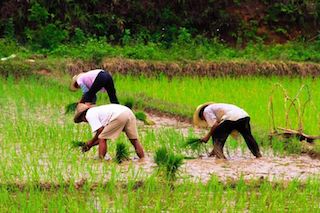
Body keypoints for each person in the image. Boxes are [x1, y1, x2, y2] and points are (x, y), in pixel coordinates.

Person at [74, 103, 144, 160]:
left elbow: (100, 133)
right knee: (134, 140)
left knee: (102, 137)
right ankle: (143, 159)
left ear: (82, 116)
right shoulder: (97, 111)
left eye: (82, 120)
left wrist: (90, 143)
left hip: (119, 115)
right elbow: (102, 135)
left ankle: (101, 160)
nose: (85, 122)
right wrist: (90, 145)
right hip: (128, 112)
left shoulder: (89, 114)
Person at [193, 102, 262, 159]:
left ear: (202, 115)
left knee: (216, 133)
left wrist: (207, 136)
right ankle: (258, 156)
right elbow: (225, 132)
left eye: (203, 119)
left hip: (231, 117)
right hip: (244, 116)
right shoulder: (218, 107)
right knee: (249, 138)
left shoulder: (206, 111)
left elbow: (215, 125)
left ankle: (220, 158)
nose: (205, 120)